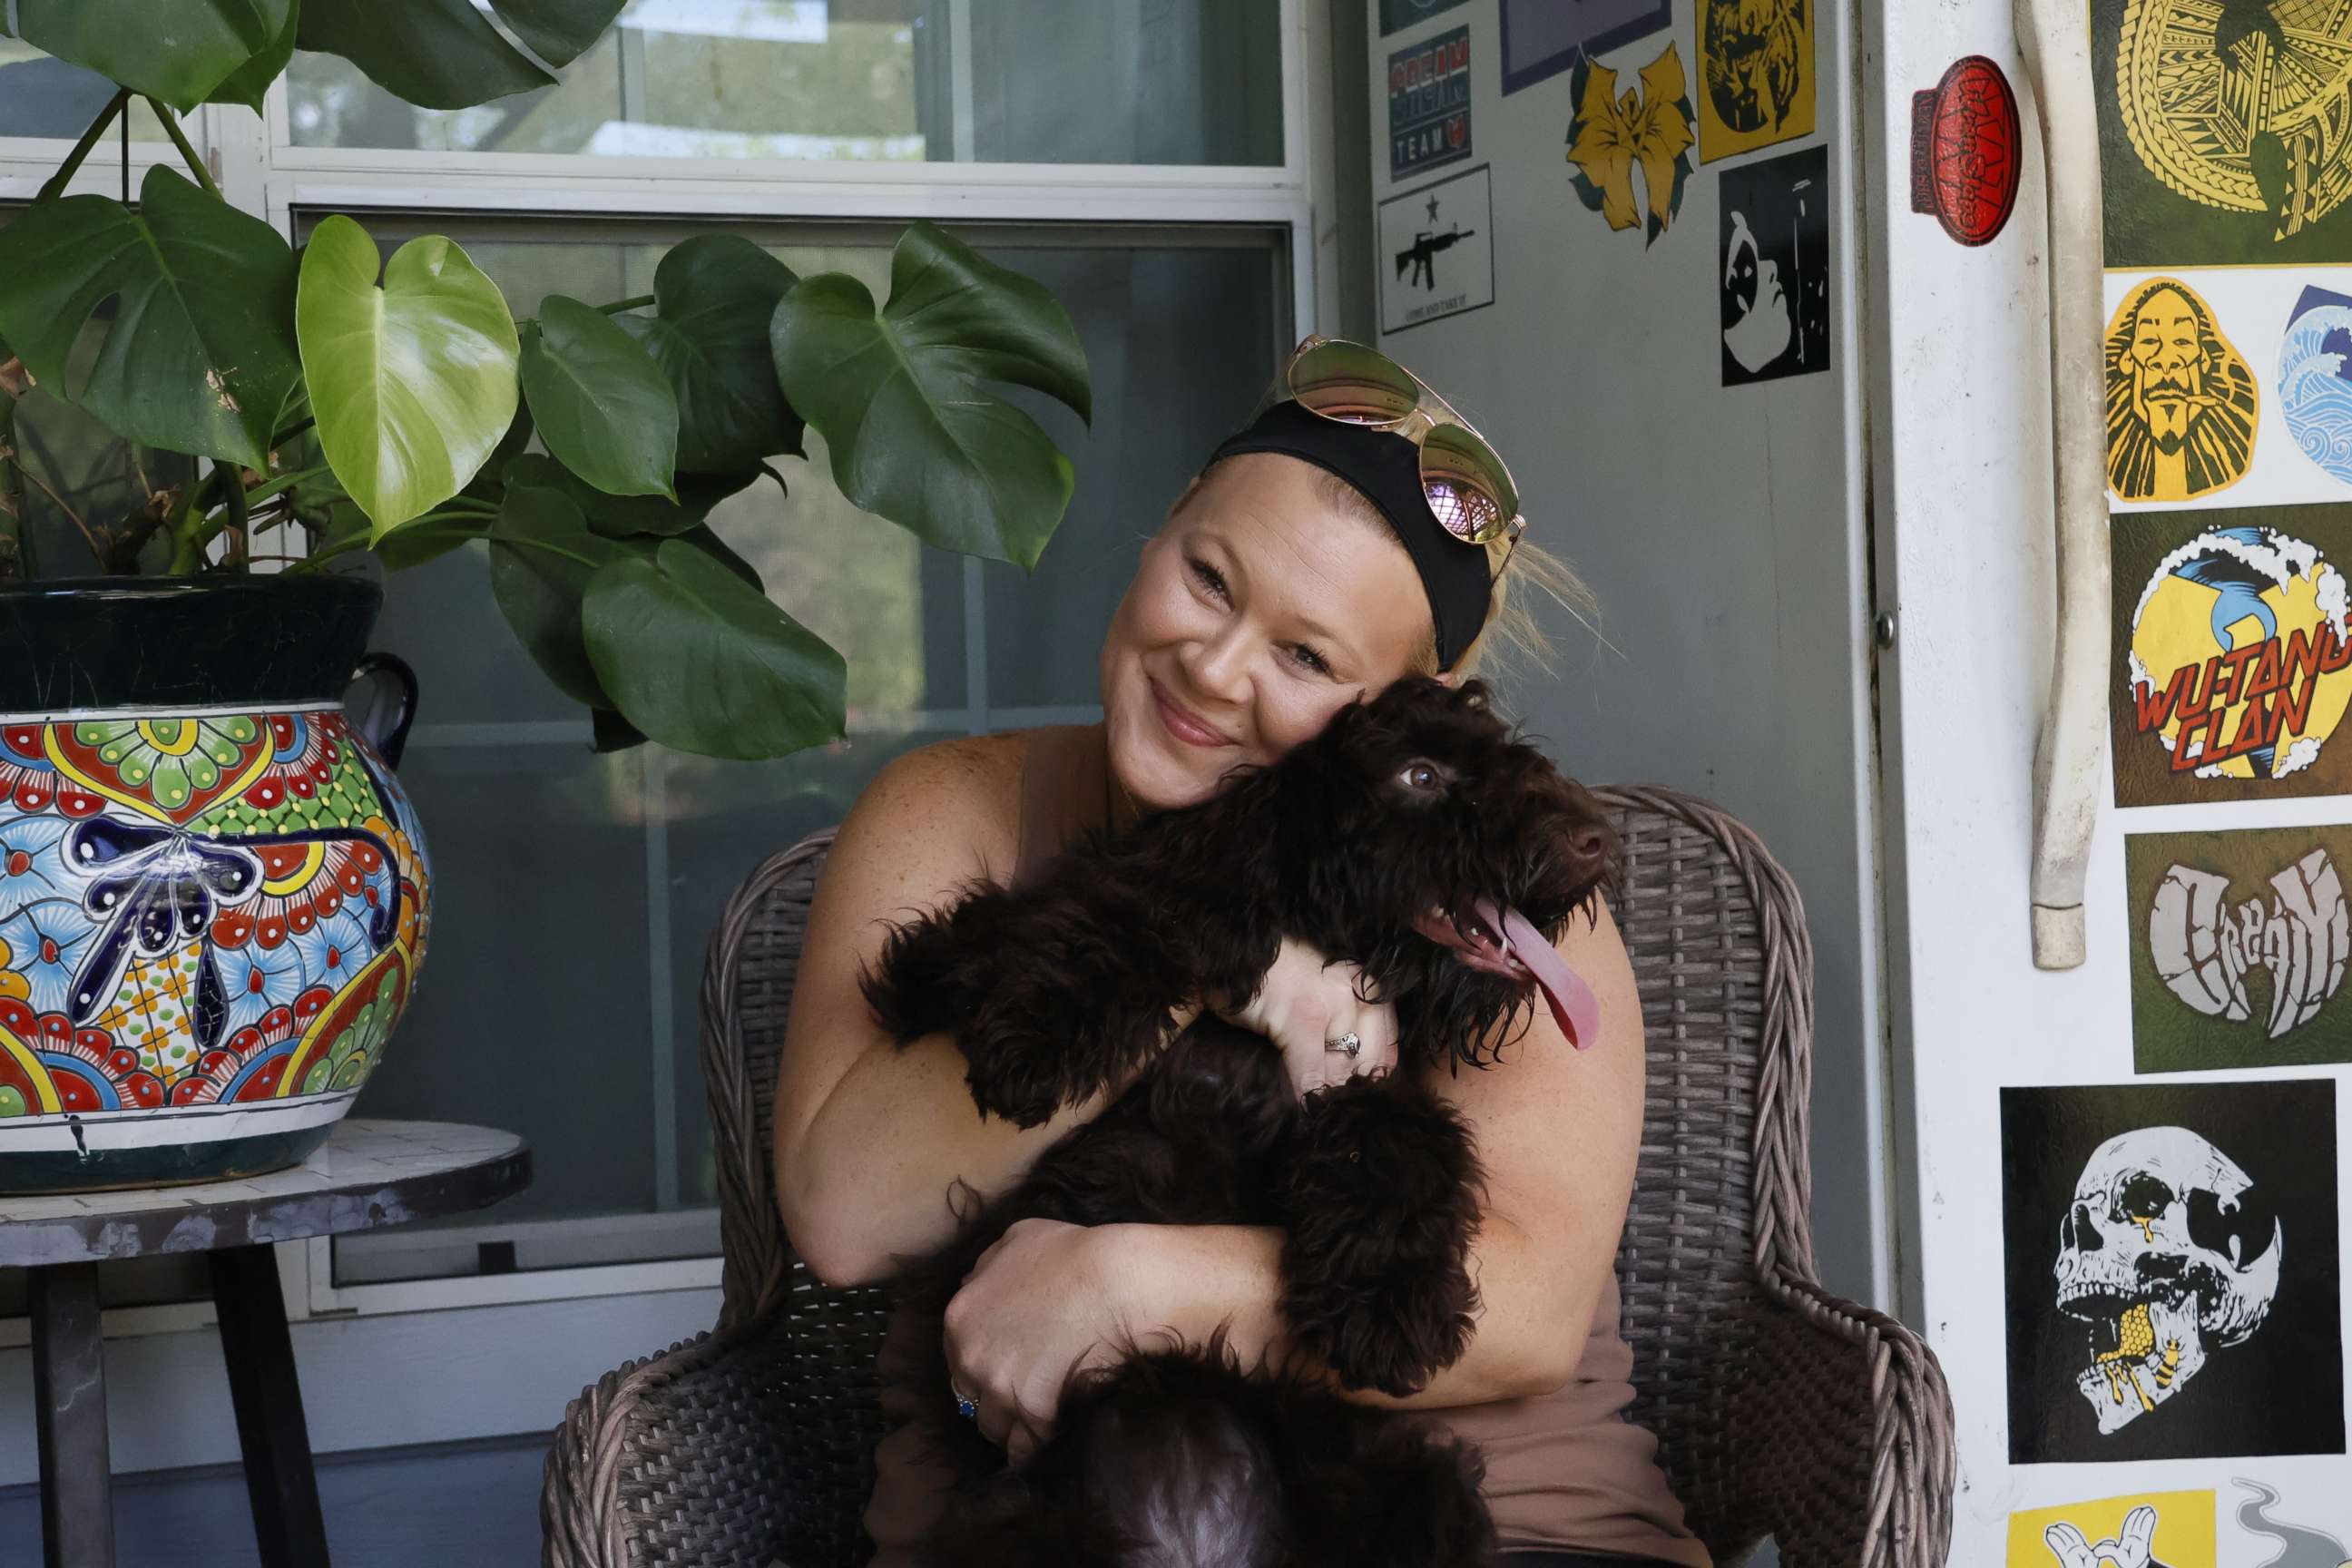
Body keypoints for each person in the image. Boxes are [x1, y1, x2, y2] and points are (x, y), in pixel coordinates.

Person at [773, 336, 1710, 1568]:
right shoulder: (953, 812)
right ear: (1163, 530)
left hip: (1498, 1526)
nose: (1213, 671)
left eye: (1307, 658)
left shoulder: (1494, 901)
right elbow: (845, 1213)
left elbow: (1526, 1314)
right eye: (1210, 580)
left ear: (1400, 711)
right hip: (1052, 1521)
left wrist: (1129, 1292)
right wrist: (1206, 953)